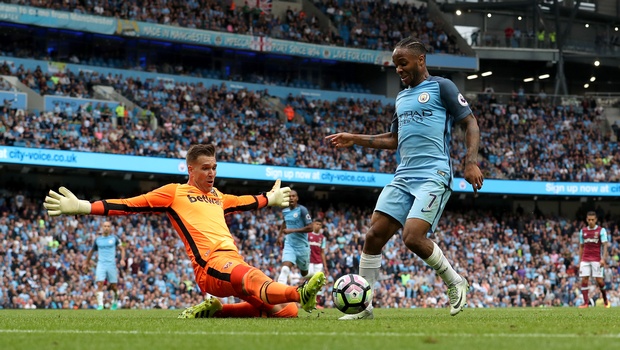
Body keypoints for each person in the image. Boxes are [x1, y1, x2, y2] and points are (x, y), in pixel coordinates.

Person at [44, 143, 326, 318]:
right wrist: (83, 206)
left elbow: (247, 201)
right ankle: (300, 292)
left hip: (231, 262)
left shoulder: (218, 196)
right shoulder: (174, 193)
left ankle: (216, 313)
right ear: (191, 169)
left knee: (285, 312)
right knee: (259, 279)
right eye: (206, 168)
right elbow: (130, 205)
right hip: (210, 266)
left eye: (214, 167)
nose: (212, 173)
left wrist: (270, 198)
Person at [325, 37, 484, 320]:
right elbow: (393, 139)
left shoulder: (441, 86)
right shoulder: (401, 97)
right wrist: (354, 138)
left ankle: (455, 281)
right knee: (373, 236)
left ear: (420, 60)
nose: (398, 69)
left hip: (433, 173)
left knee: (412, 237)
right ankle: (364, 308)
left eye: (403, 63)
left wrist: (470, 162)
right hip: (404, 174)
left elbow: (469, 122)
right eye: (395, 65)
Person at [83, 220, 126, 310]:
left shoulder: (114, 238)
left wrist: (122, 259)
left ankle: (115, 302)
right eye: (105, 226)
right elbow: (91, 251)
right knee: (100, 283)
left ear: (110, 228)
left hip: (111, 264)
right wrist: (86, 262)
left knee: (113, 286)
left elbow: (122, 249)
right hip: (101, 264)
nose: (106, 228)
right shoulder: (98, 240)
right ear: (102, 228)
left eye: (108, 226)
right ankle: (100, 305)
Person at [277, 189, 313, 285]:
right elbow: (285, 222)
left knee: (304, 273)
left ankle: (312, 277)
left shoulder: (302, 210)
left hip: (302, 247)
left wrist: (292, 230)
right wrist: (279, 236)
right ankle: (278, 291)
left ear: (297, 198)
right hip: (290, 245)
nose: (291, 198)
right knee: (285, 269)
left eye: (293, 196)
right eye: (289, 196)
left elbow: (310, 228)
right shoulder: (285, 211)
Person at [578, 211, 610, 308]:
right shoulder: (583, 231)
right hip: (585, 259)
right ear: (586, 220)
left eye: (592, 220)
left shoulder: (601, 230)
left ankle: (605, 300)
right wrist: (580, 261)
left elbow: (605, 245)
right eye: (589, 220)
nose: (591, 221)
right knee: (584, 279)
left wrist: (603, 259)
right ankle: (586, 303)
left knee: (599, 281)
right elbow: (581, 246)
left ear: (596, 220)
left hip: (597, 259)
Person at [307, 219, 328, 307]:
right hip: (309, 262)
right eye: (317, 224)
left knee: (318, 282)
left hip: (318, 262)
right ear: (313, 224)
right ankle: (308, 300)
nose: (318, 226)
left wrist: (325, 266)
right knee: (309, 280)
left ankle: (317, 302)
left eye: (320, 224)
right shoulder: (308, 235)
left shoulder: (322, 238)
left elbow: (322, 252)